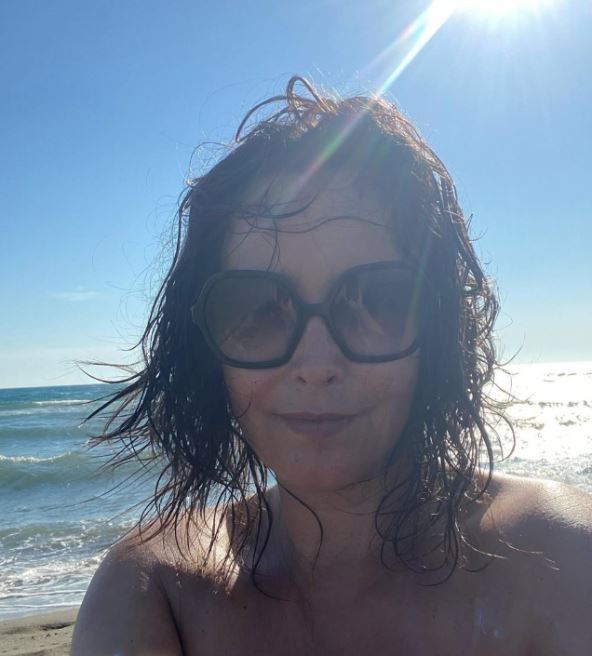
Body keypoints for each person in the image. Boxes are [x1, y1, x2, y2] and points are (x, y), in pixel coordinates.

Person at [71, 77, 591, 656]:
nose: (316, 365)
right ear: (205, 348)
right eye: (256, 308)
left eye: (378, 300)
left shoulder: (562, 559)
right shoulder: (156, 590)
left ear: (439, 331)